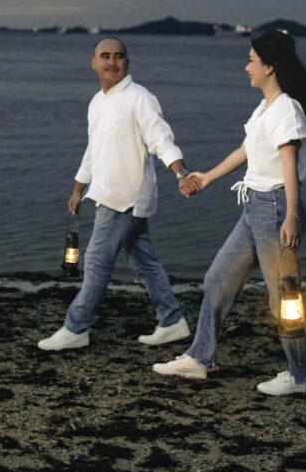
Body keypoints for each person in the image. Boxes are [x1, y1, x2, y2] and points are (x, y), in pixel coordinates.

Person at [153, 30, 306, 395]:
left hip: (276, 210)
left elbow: (289, 167)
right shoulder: (265, 108)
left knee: (284, 299)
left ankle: (300, 377)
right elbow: (246, 151)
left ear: (269, 67)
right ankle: (199, 358)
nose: (246, 67)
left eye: (251, 60)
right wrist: (207, 177)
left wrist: (291, 215)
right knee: (217, 279)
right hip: (254, 208)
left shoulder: (286, 109)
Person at [37, 36, 194, 352]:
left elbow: (161, 139)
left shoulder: (140, 98)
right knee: (143, 260)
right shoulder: (97, 102)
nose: (112, 62)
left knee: (96, 261)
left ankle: (76, 327)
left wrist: (180, 173)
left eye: (118, 56)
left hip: (125, 197)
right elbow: (93, 151)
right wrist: (78, 189)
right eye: (105, 56)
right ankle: (172, 321)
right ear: (93, 62)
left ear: (127, 62)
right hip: (105, 192)